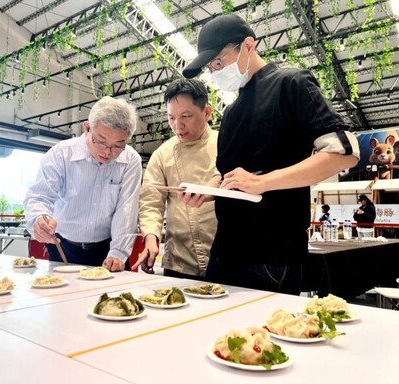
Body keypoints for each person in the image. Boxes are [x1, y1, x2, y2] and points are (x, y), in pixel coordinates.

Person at [181, 14, 360, 294]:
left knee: (266, 336)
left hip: (272, 254)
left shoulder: (291, 84)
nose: (215, 72)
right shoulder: (230, 112)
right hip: (224, 250)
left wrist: (264, 182)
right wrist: (208, 190)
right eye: (210, 68)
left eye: (218, 62)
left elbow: (344, 152)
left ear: (248, 45)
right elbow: (230, 176)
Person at [23, 96, 142, 272]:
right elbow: (39, 196)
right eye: (101, 141)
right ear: (87, 128)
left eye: (118, 145)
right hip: (64, 247)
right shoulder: (61, 154)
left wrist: (118, 252)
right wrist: (39, 218)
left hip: (107, 248)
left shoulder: (130, 160)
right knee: (63, 296)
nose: (107, 151)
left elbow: (127, 209)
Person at [134, 78, 218, 279]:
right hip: (178, 262)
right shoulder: (162, 154)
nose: (177, 125)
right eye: (171, 118)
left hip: (224, 259)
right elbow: (151, 203)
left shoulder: (226, 144)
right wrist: (151, 239)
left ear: (207, 112)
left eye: (186, 116)